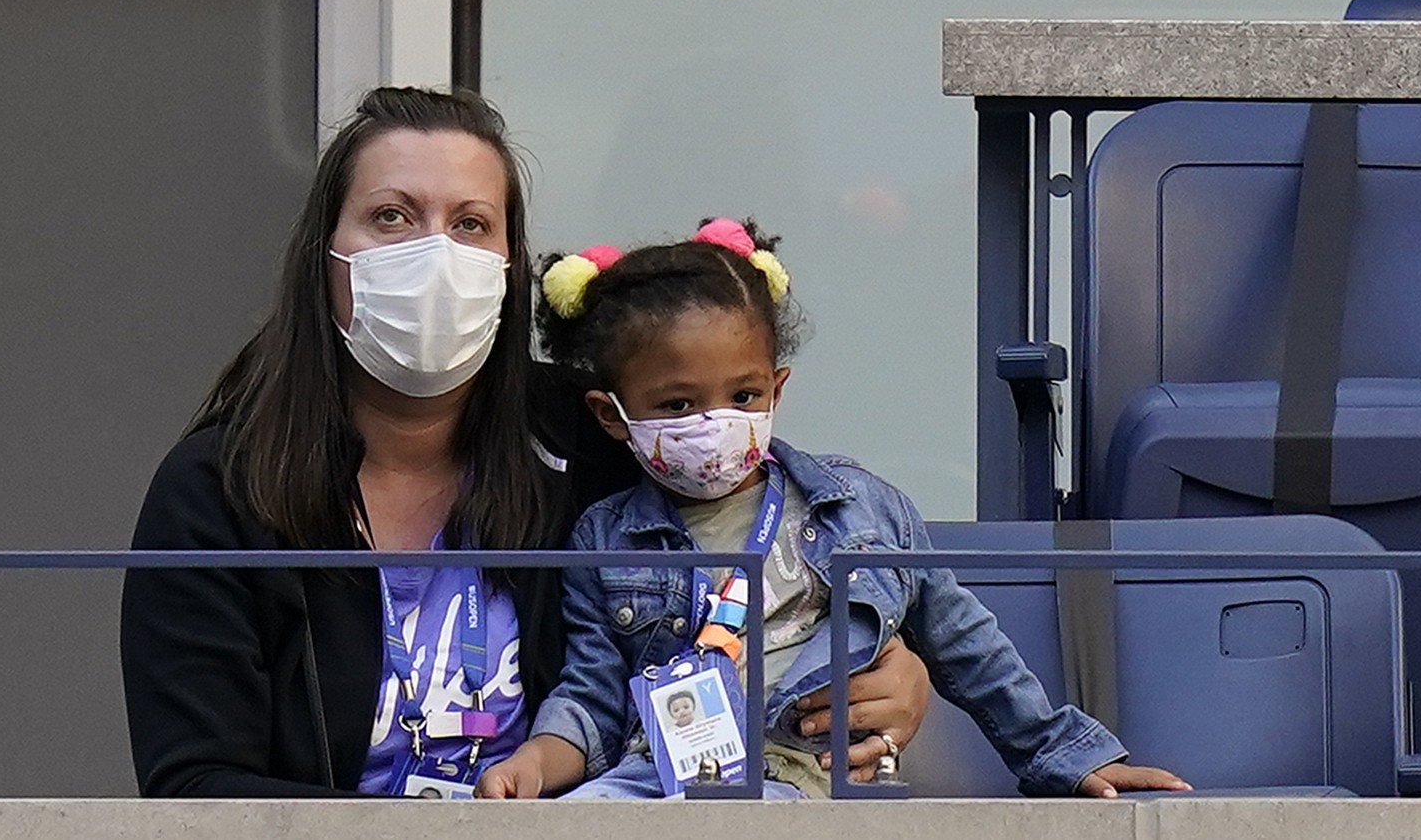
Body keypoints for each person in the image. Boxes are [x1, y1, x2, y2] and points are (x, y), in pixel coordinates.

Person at [120, 88, 932, 798]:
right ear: (325, 254)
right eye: (392, 216)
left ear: (510, 264)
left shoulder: (596, 439)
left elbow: (784, 555)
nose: (435, 252)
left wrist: (893, 672)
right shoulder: (218, 489)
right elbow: (195, 785)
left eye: (471, 223)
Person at [476, 218, 1192, 800]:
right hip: (654, 776)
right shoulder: (602, 538)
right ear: (611, 415)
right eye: (677, 405)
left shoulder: (863, 511)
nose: (716, 423)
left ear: (778, 388)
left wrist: (1066, 755)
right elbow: (591, 696)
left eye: (744, 396)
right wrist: (535, 767)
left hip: (802, 777)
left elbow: (971, 651)